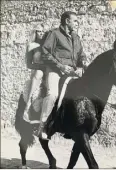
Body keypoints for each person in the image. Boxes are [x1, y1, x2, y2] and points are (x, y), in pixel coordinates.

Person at [34, 11, 87, 140]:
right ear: (67, 21)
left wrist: (81, 66)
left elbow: (81, 55)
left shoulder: (76, 37)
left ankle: (71, 126)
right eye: (75, 21)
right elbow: (45, 52)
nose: (77, 23)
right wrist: (61, 66)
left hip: (73, 72)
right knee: (53, 94)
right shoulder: (54, 34)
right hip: (55, 70)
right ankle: (43, 126)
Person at [23, 24, 48, 122]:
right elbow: (29, 64)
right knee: (39, 74)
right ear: (35, 32)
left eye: (43, 31)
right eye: (39, 31)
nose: (41, 33)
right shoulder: (31, 45)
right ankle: (28, 104)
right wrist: (40, 67)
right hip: (37, 70)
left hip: (48, 70)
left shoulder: (47, 45)